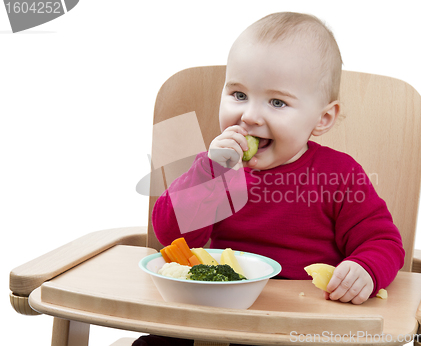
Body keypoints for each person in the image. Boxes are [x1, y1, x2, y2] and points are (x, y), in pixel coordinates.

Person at [134, 11, 404, 346]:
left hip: (299, 325)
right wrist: (209, 174)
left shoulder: (340, 175)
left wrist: (365, 268)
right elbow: (171, 237)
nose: (249, 116)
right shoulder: (213, 169)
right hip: (215, 314)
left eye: (277, 102)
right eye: (238, 95)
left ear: (322, 118)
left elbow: (383, 242)